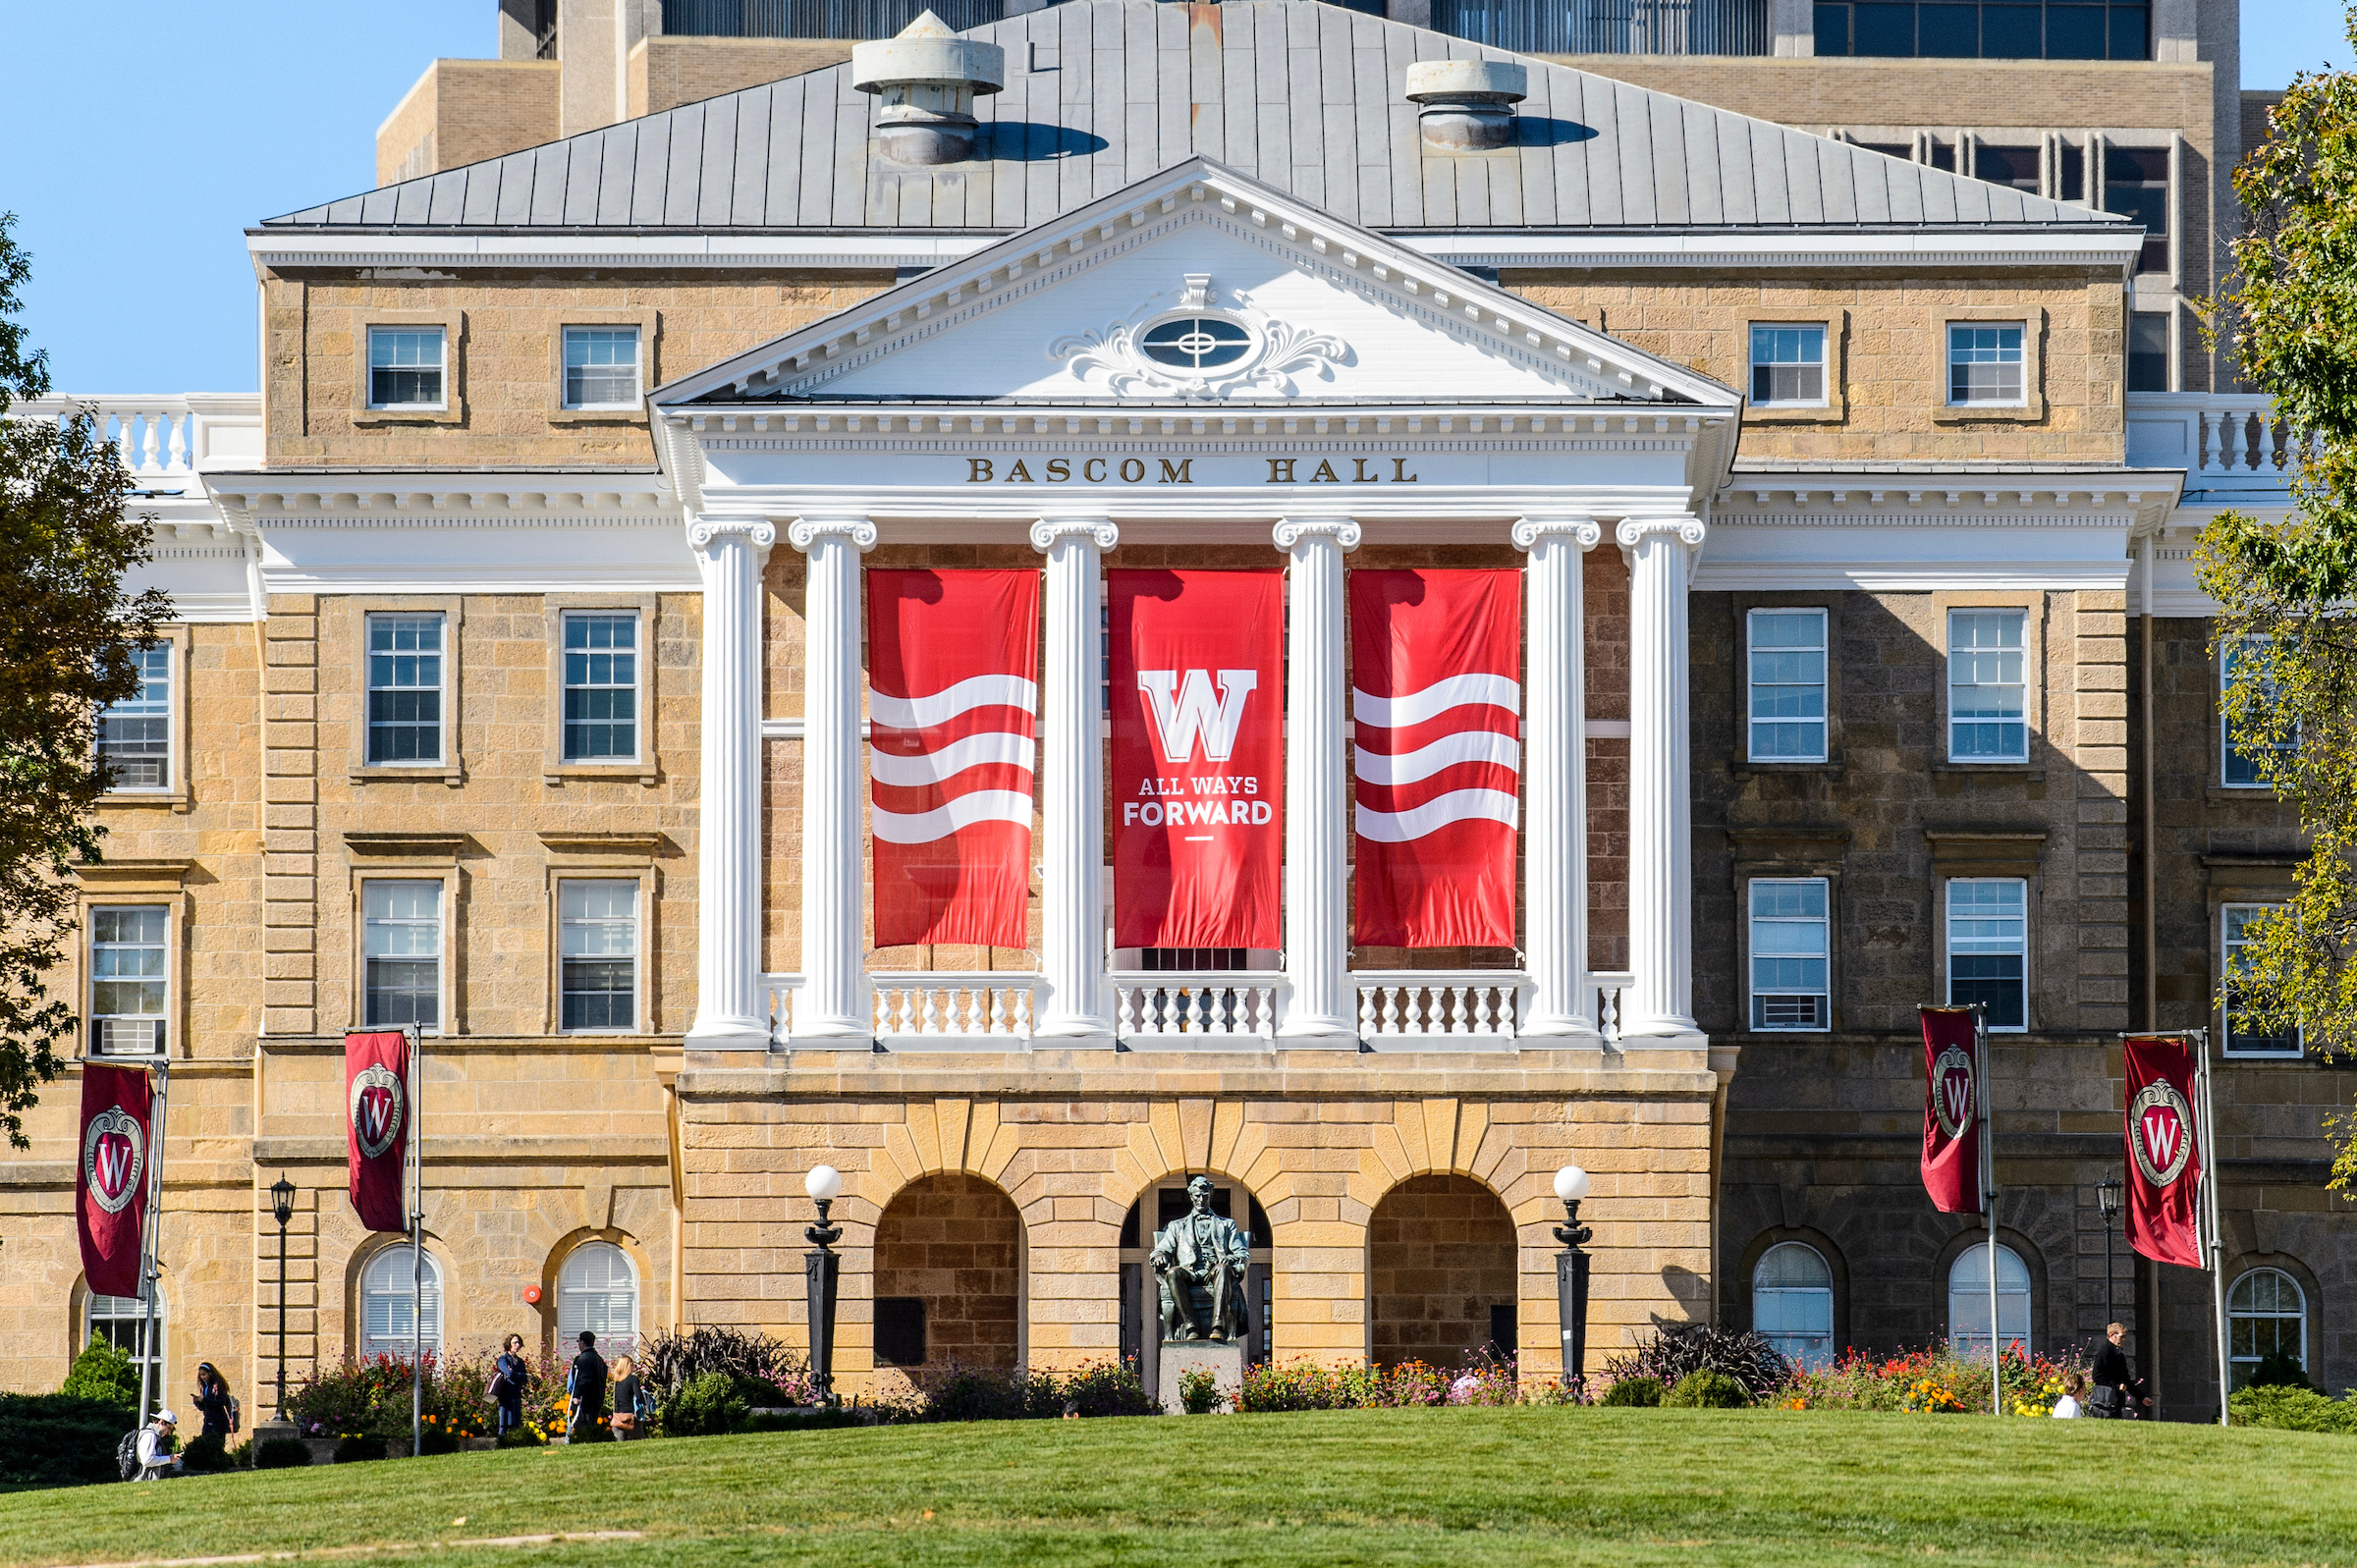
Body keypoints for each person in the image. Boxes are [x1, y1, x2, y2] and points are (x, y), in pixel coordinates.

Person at [2090, 1322, 2151, 1419]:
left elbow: (2126, 1380)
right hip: (2104, 1403)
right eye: (2121, 1336)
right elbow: (2097, 1376)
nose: (2124, 1340)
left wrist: (2141, 1397)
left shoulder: (2119, 1355)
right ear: (2111, 1336)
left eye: (2124, 1337)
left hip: (2116, 1402)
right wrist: (2117, 1386)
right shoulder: (2105, 1352)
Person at [565, 1330, 608, 1444]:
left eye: (579, 1341)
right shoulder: (599, 1359)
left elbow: (583, 1379)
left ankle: (582, 1443)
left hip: (585, 1400)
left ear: (583, 1342)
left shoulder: (583, 1359)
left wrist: (577, 1395)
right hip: (597, 1398)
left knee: (581, 1424)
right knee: (591, 1423)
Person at [490, 1334, 530, 1437]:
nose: (517, 1345)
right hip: (505, 1394)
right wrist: (521, 1376)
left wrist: (520, 1376)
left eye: (518, 1343)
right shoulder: (503, 1359)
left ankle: (514, 1442)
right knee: (504, 1422)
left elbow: (525, 1377)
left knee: (515, 1421)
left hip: (516, 1394)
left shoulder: (520, 1361)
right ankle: (502, 1442)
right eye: (514, 1343)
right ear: (509, 1344)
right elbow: (510, 1374)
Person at [192, 1364, 237, 1443]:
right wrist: (197, 1402)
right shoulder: (205, 1387)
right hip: (208, 1419)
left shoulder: (217, 1386)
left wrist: (205, 1399)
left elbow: (219, 1402)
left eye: (204, 1374)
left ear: (210, 1373)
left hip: (218, 1421)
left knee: (217, 1443)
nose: (202, 1377)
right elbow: (205, 1407)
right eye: (201, 1375)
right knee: (205, 1442)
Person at [135, 1409, 184, 1481]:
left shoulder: (152, 1435)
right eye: (169, 1428)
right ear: (162, 1422)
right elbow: (147, 1460)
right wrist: (169, 1459)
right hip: (144, 1480)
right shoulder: (150, 1435)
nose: (169, 1432)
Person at [610, 1355, 643, 1440]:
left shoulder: (617, 1381)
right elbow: (639, 1396)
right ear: (628, 1365)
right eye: (632, 1364)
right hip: (630, 1417)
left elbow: (616, 1400)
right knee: (639, 1441)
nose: (634, 1367)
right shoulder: (633, 1379)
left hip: (618, 1418)